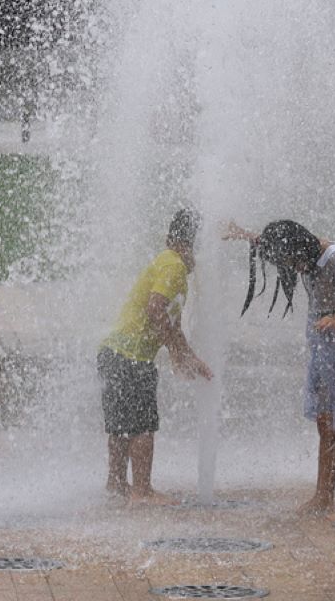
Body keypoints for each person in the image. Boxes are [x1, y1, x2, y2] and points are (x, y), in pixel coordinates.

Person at [224, 220, 335, 520]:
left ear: (300, 249)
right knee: (326, 424)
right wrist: (246, 236)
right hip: (327, 349)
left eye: (290, 259)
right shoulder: (302, 250)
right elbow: (275, 242)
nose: (292, 267)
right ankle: (323, 497)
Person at [97, 209, 213, 504]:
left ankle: (117, 484)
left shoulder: (165, 261)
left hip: (114, 353)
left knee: (121, 424)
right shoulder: (173, 266)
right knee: (143, 425)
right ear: (189, 245)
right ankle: (143, 491)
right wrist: (176, 354)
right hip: (132, 356)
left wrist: (188, 355)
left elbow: (170, 323)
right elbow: (155, 308)